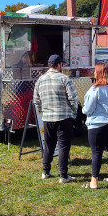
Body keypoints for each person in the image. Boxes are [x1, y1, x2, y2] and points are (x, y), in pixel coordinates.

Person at [33, 54, 78, 183]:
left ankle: (45, 171)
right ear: (58, 65)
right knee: (63, 146)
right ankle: (63, 176)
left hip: (47, 118)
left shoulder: (40, 80)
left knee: (49, 145)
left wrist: (43, 111)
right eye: (61, 64)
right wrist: (73, 113)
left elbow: (36, 100)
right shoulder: (64, 79)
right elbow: (73, 99)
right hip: (64, 118)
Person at [82, 62, 108, 189]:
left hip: (98, 125)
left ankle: (94, 181)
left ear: (99, 73)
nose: (94, 72)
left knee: (97, 152)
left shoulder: (95, 89)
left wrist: (83, 109)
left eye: (95, 70)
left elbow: (87, 109)